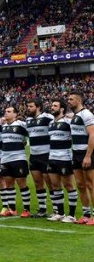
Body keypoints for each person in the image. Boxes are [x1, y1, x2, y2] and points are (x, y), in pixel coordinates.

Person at [46, 99, 78, 223]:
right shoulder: (51, 124)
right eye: (52, 105)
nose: (52, 107)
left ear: (62, 109)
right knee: (55, 186)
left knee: (69, 185)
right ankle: (59, 213)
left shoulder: (68, 121)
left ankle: (71, 215)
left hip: (65, 157)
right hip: (52, 157)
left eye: (55, 105)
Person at [67, 91, 94, 225]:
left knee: (91, 184)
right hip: (76, 153)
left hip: (86, 153)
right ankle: (86, 214)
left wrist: (88, 156)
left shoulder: (87, 114)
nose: (69, 101)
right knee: (81, 185)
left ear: (78, 100)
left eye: (71, 99)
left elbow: (92, 135)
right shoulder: (75, 116)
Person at [0, 106, 32, 218]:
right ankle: (12, 209)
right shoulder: (3, 127)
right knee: (8, 183)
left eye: (9, 112)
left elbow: (30, 134)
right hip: (5, 159)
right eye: (5, 111)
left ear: (15, 114)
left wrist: (25, 141)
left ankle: (27, 209)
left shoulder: (21, 125)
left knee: (21, 183)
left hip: (18, 158)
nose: (6, 113)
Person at [25, 98, 54, 217]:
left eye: (31, 106)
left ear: (38, 107)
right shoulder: (28, 120)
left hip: (46, 155)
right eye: (28, 106)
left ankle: (57, 210)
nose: (28, 108)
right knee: (38, 183)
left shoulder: (48, 118)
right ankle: (43, 209)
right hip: (33, 155)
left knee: (50, 183)